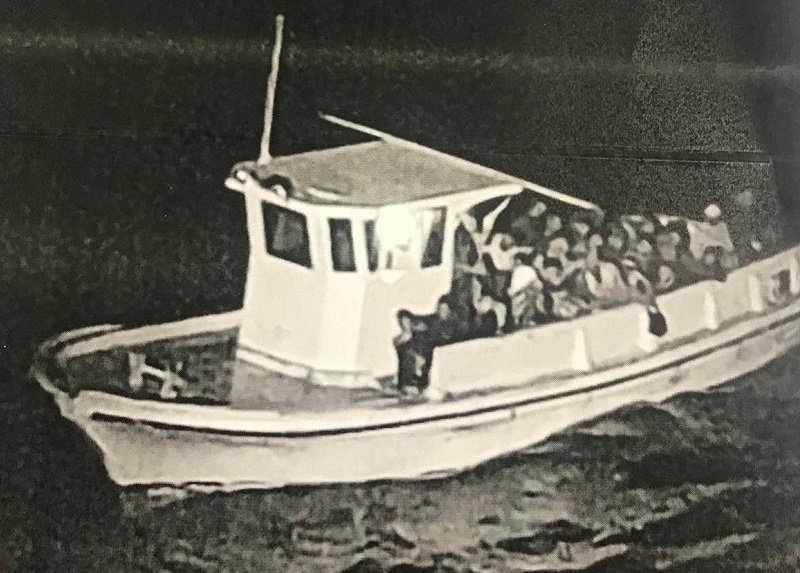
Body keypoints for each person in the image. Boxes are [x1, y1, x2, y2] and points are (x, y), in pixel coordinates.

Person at [508, 252, 543, 328]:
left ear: (518, 261)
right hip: (527, 295)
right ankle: (524, 320)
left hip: (523, 294)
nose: (513, 263)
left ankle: (519, 320)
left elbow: (517, 287)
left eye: (514, 260)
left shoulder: (520, 270)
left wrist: (514, 292)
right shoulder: (529, 269)